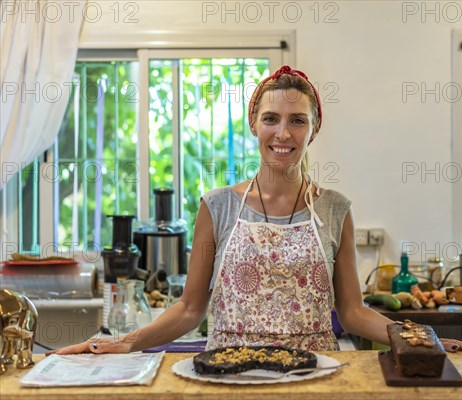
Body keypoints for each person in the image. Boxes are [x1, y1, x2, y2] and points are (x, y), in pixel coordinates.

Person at [50, 65, 393, 355]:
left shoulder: (335, 209)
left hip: (315, 374)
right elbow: (188, 309)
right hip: (229, 372)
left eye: (298, 121)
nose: (283, 133)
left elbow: (353, 312)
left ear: (314, 130)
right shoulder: (218, 206)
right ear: (254, 125)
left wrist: (414, 336)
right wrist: (121, 344)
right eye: (271, 118)